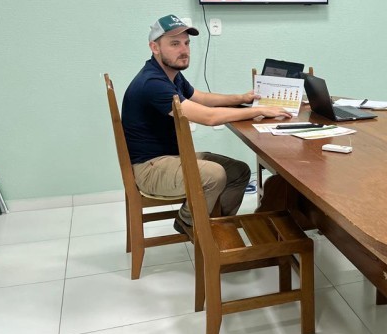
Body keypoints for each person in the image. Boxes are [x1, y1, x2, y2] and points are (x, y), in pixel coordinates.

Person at [122, 14, 293, 231]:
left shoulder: (169, 74)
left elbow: (200, 98)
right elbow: (207, 117)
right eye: (174, 44)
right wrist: (259, 110)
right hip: (150, 168)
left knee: (239, 171)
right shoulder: (152, 83)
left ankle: (218, 226)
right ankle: (189, 222)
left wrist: (240, 98)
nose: (183, 50)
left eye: (186, 43)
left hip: (169, 158)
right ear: (154, 47)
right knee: (214, 175)